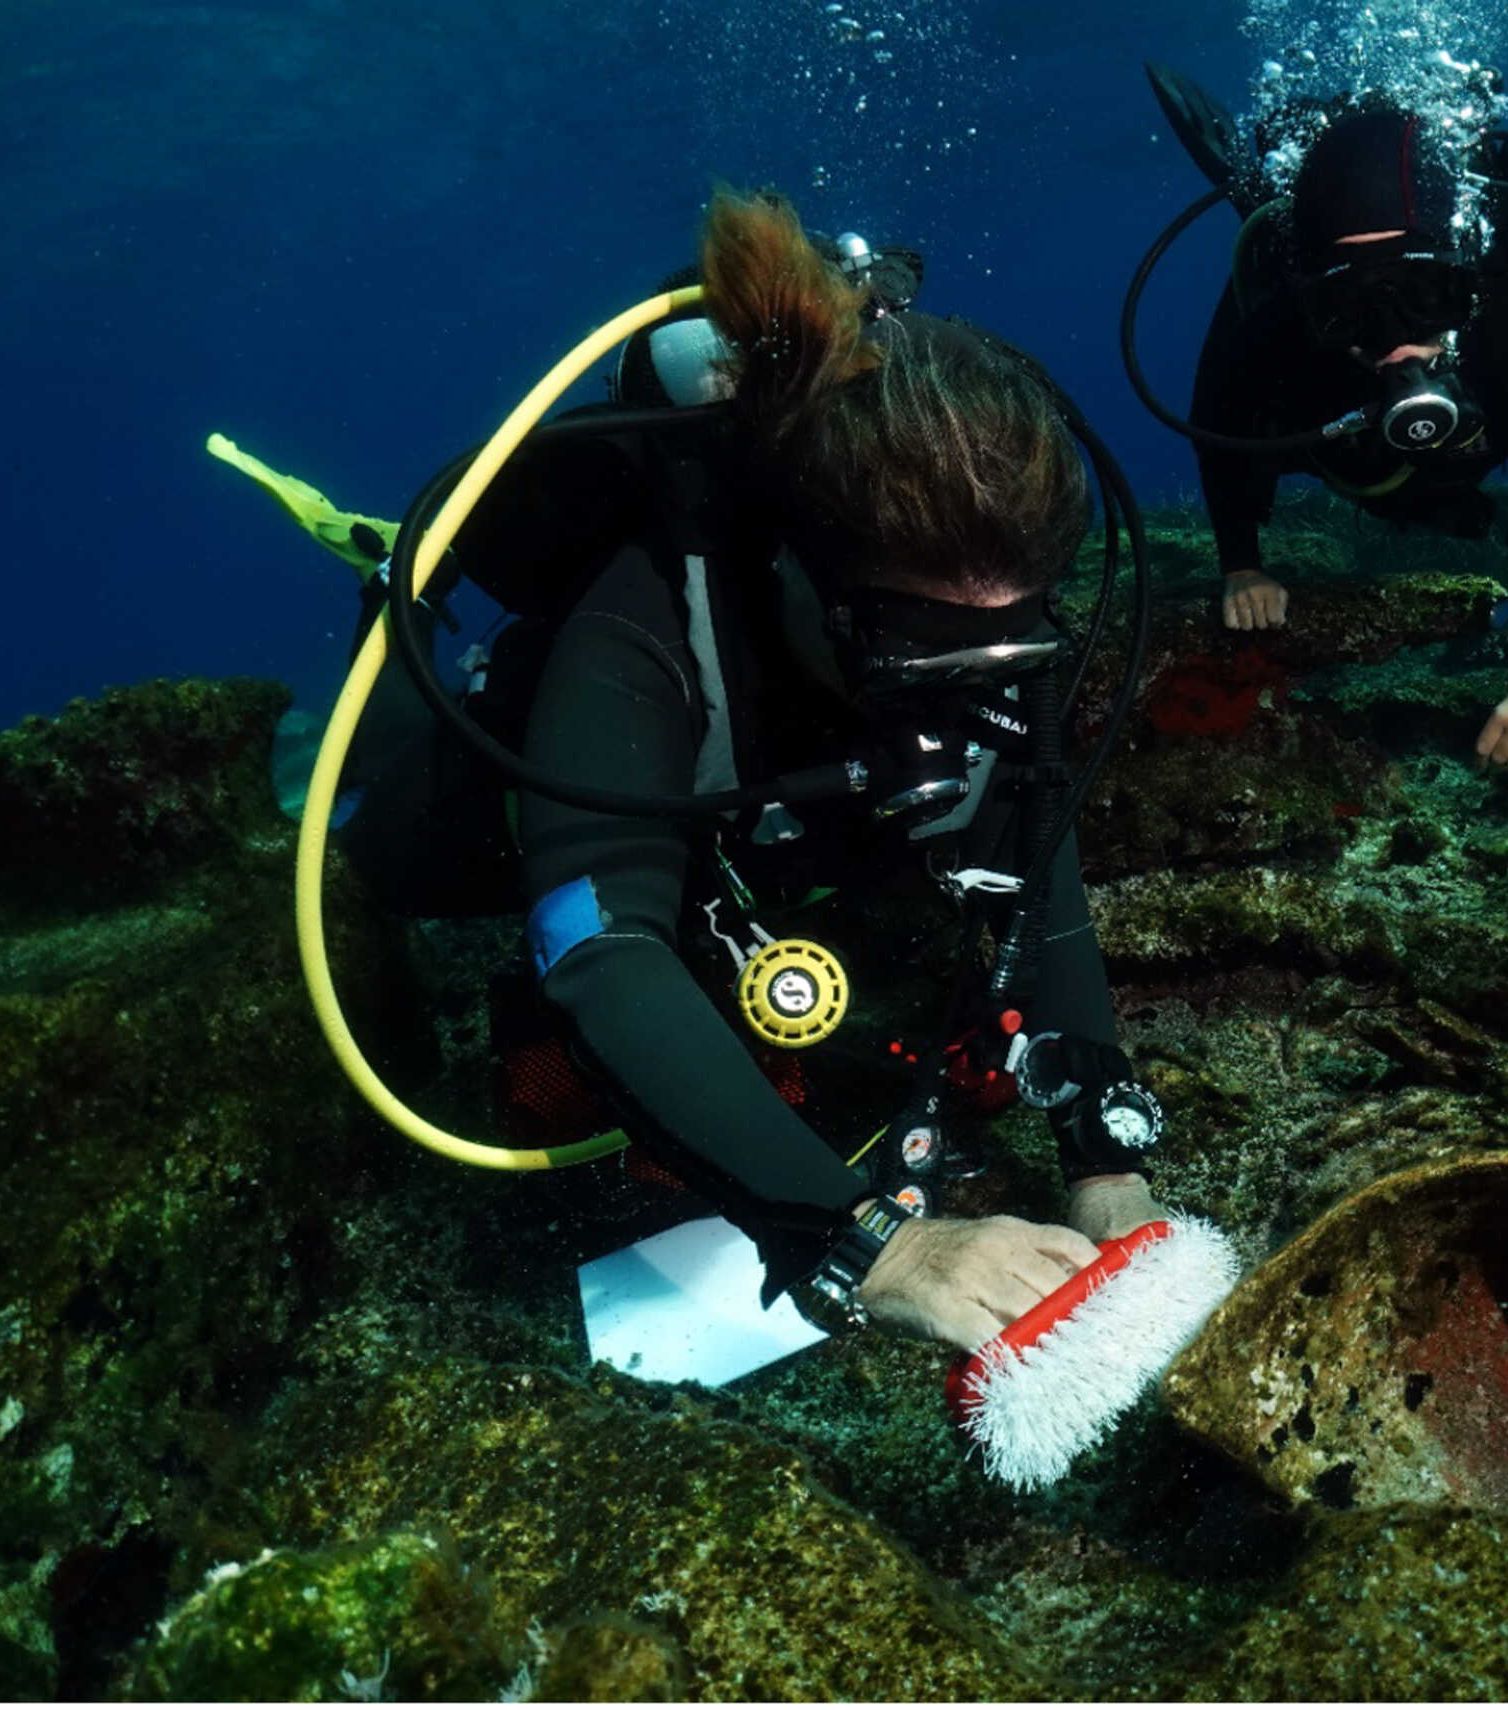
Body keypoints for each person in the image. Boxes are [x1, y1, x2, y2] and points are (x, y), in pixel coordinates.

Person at [485, 188, 1166, 1352]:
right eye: (913, 656)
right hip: (665, 819)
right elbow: (600, 954)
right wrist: (871, 1242)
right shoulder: (647, 625)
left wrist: (1101, 1155)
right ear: (800, 564)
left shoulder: (991, 603)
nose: (968, 700)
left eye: (1005, 650)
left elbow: (1039, 857)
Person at [1174, 99, 1508, 773]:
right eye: (1352, 308)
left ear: (1466, 267)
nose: (1396, 341)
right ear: (1315, 297)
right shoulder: (1276, 322)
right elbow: (1216, 430)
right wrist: (1241, 563)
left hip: (1453, 488)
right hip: (1348, 460)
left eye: (1423, 290)